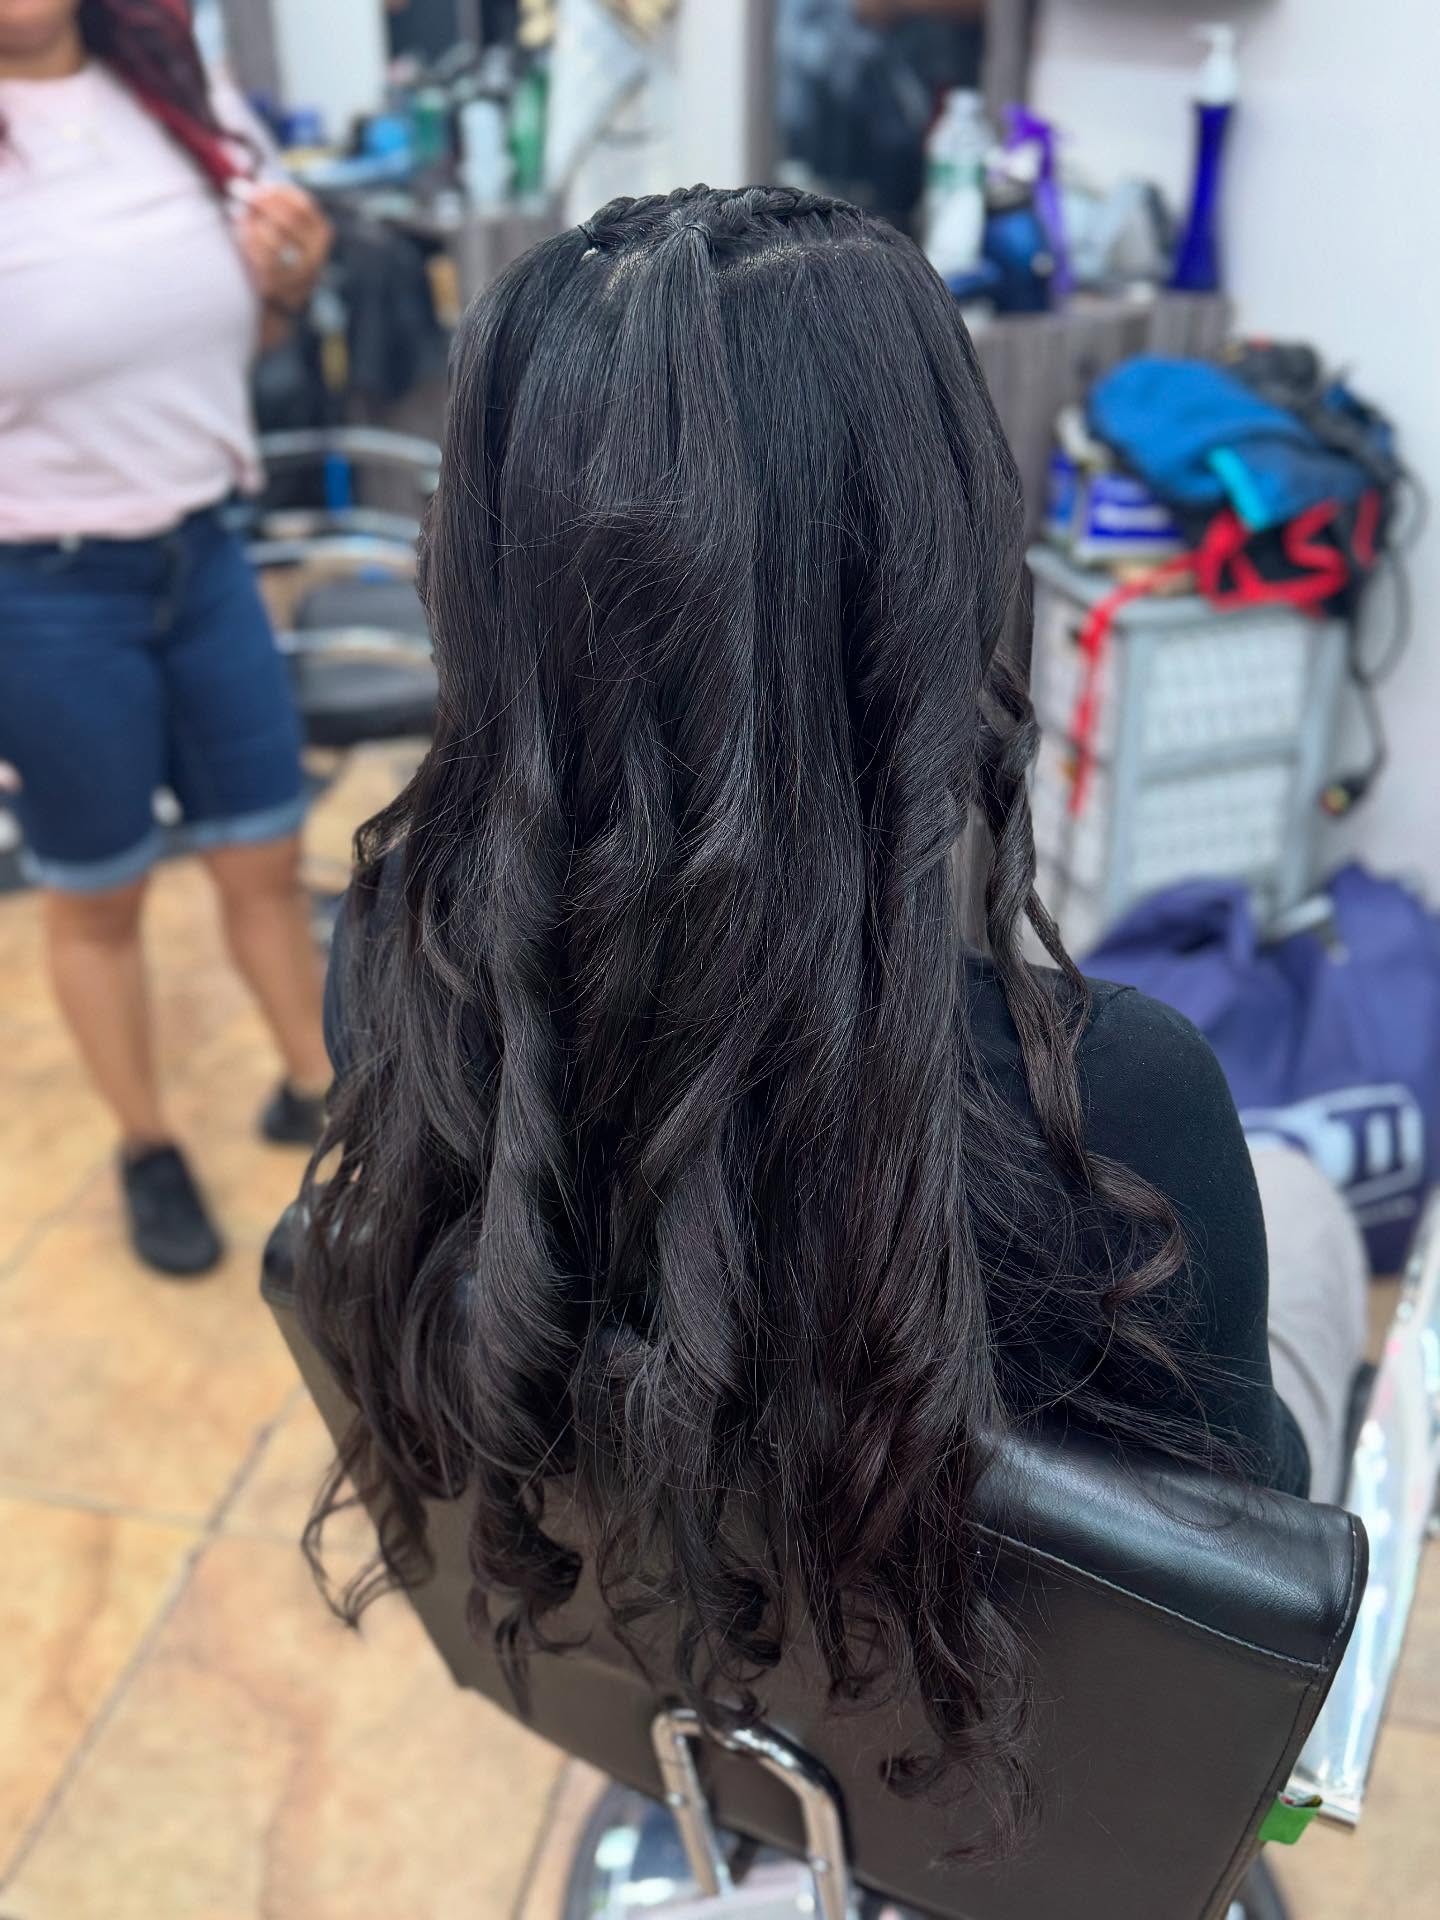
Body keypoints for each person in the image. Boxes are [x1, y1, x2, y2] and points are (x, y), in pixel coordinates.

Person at [294, 187, 1365, 1844]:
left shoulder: (391, 966)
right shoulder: (1123, 1104)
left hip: (683, 1645)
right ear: (928, 568)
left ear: (491, 576)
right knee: (1307, 1208)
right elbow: (1223, 1569)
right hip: (981, 1762)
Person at [0, 0, 335, 1276]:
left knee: (263, 854)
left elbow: (252, 328)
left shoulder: (178, 88)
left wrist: (290, 278)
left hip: (204, 553)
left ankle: (319, 1094)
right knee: (100, 892)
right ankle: (146, 1142)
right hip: (41, 588)